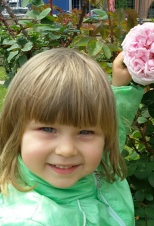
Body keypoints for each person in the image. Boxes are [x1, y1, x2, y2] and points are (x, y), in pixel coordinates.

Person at [0, 48, 144, 225]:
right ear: (15, 129)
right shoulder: (27, 220)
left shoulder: (98, 166)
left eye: (85, 132)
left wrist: (120, 87)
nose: (67, 150)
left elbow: (113, 135)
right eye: (47, 129)